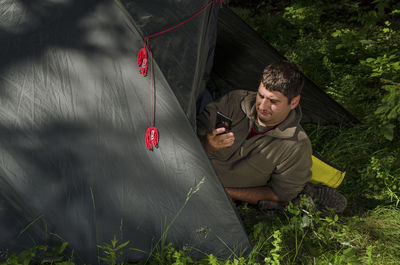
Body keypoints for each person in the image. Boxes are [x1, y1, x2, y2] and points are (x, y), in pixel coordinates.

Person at [197, 61, 346, 212]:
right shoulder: (234, 101)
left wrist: (223, 192)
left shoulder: (296, 145)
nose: (262, 106)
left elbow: (280, 195)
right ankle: (304, 192)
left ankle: (305, 194)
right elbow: (185, 135)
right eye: (261, 96)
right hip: (185, 171)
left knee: (287, 193)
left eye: (273, 101)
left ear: (294, 102)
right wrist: (207, 143)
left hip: (217, 196)